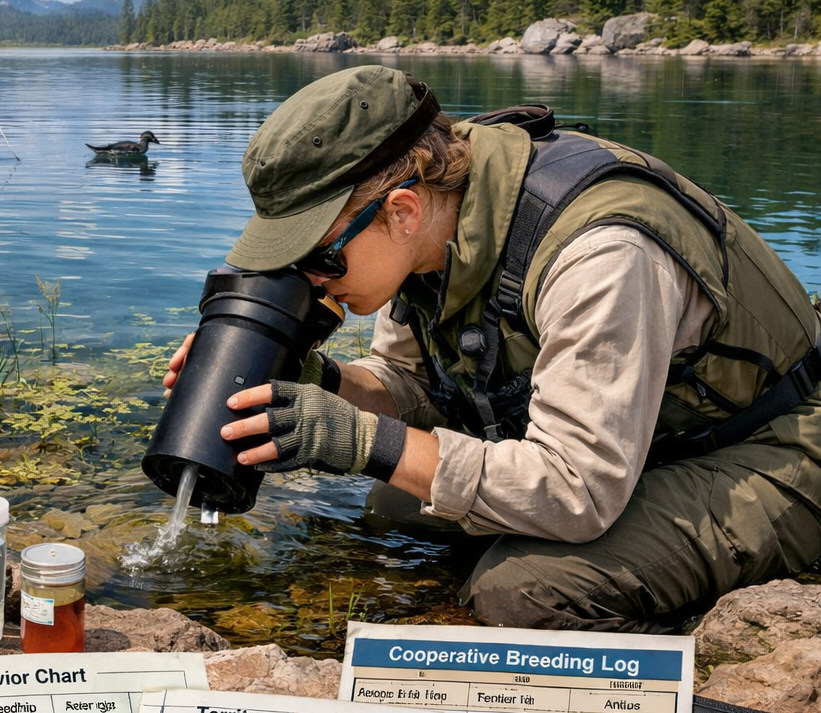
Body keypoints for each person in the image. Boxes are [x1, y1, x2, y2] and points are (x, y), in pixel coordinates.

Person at [166, 64, 821, 633]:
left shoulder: (601, 252)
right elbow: (412, 386)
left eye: (320, 257)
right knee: (396, 507)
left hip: (770, 444)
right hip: (646, 442)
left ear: (401, 211)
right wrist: (315, 382)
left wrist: (359, 441)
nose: (311, 281)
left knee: (522, 592)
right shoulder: (435, 218)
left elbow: (576, 490)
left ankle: (692, 668)